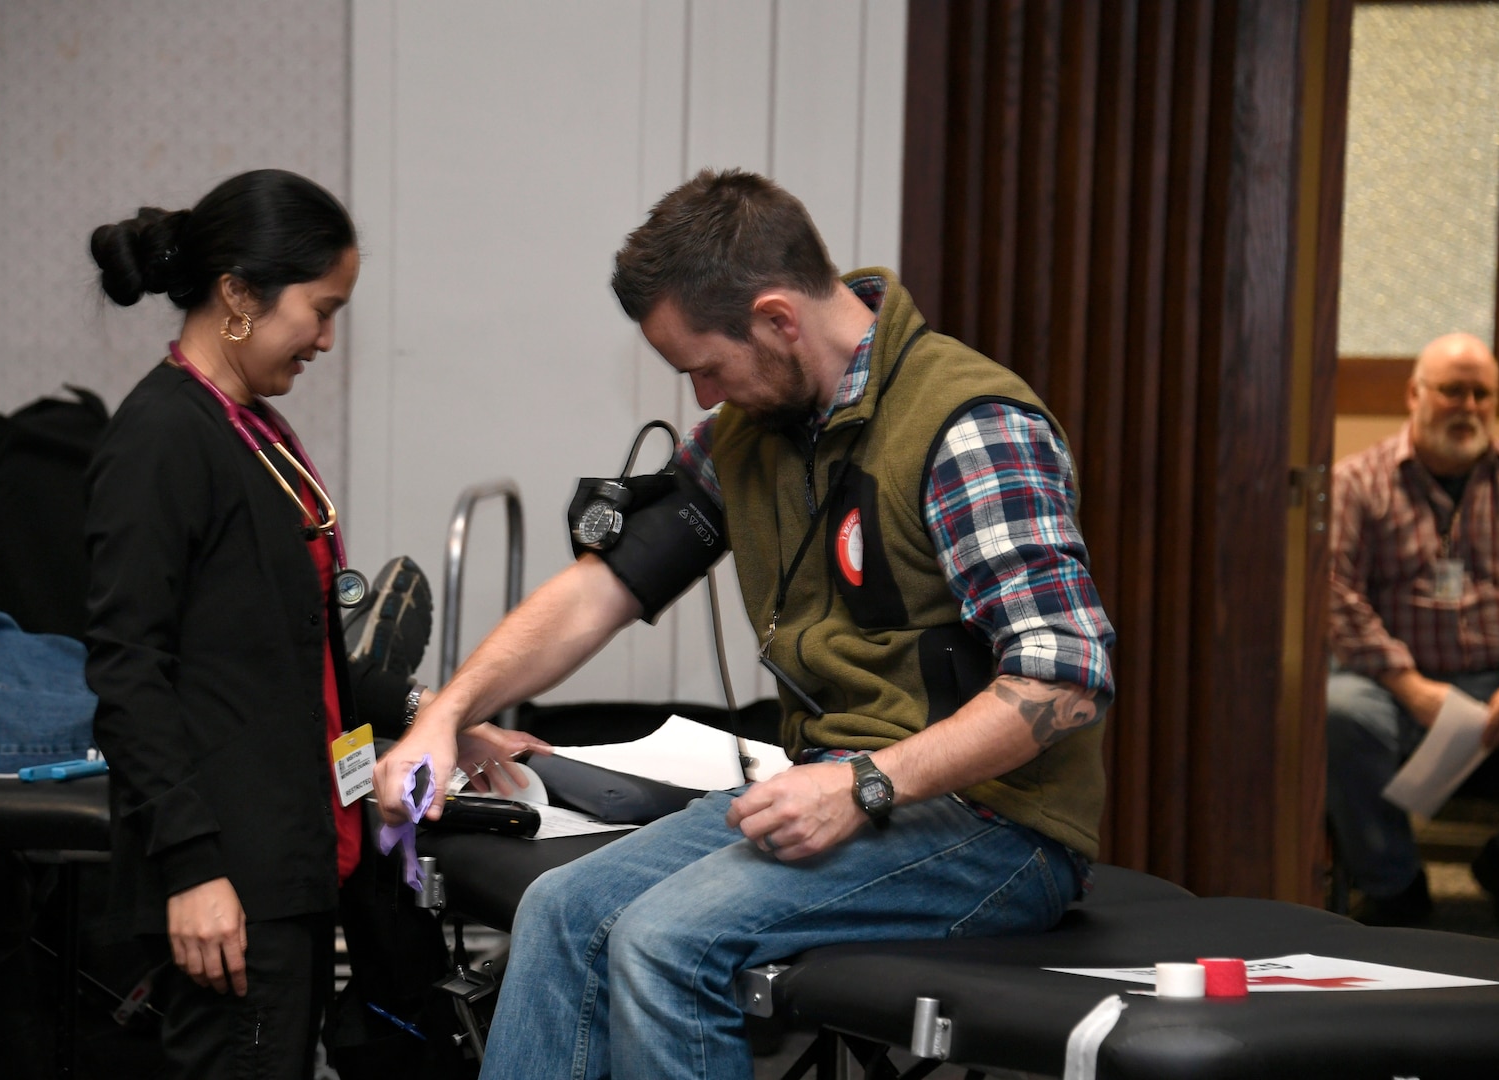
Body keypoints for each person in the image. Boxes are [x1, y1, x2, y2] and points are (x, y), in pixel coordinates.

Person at [373, 168, 1115, 1080]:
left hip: (995, 822)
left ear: (776, 319)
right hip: (839, 786)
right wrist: (445, 713)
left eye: (704, 369)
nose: (701, 399)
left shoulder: (968, 427)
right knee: (562, 911)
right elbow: (600, 590)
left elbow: (1065, 677)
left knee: (662, 941)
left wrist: (863, 787)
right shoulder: (752, 429)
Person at [84, 169, 541, 1078]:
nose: (329, 340)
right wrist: (191, 869)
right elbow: (128, 672)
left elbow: (303, 653)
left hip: (291, 855)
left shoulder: (254, 430)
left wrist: (438, 717)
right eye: (321, 310)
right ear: (240, 295)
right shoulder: (160, 440)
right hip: (229, 879)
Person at [1327, 331, 1499, 928]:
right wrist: (1410, 685)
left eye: (1482, 394)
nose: (1469, 407)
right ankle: (1395, 885)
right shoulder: (1358, 481)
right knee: (1338, 711)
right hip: (1390, 683)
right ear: (1414, 393)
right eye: (1452, 391)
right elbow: (1334, 595)